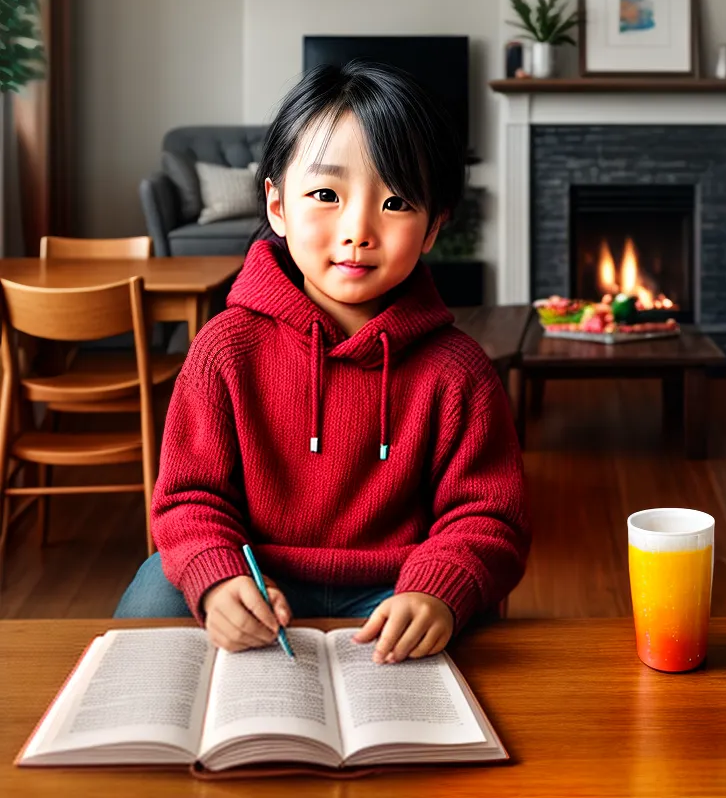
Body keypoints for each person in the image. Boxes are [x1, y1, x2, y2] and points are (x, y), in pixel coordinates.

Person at [115, 62, 531, 664]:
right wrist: (217, 578)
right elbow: (188, 499)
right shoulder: (224, 348)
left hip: (393, 591)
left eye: (395, 201)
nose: (358, 230)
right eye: (325, 195)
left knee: (472, 622)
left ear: (435, 225)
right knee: (157, 586)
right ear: (278, 206)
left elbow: (489, 515)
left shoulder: (458, 370)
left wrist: (437, 588)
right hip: (258, 580)